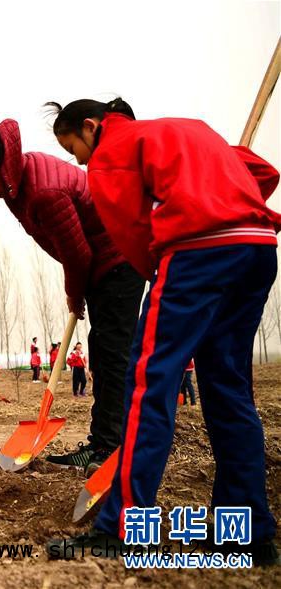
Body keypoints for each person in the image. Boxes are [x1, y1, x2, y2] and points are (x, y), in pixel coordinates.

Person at [44, 98, 280, 565]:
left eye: (76, 149)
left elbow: (129, 232)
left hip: (197, 251)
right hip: (256, 248)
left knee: (149, 383)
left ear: (92, 127)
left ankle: (124, 527)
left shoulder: (114, 150)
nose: (81, 161)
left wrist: (157, 273)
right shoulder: (191, 129)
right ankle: (248, 530)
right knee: (229, 387)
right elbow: (264, 172)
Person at [0, 118, 145, 473]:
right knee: (103, 353)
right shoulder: (19, 183)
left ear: (3, 166)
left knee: (112, 355)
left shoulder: (43, 192)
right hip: (103, 264)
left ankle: (113, 448)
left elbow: (78, 254)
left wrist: (75, 293)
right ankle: (102, 442)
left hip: (118, 259)